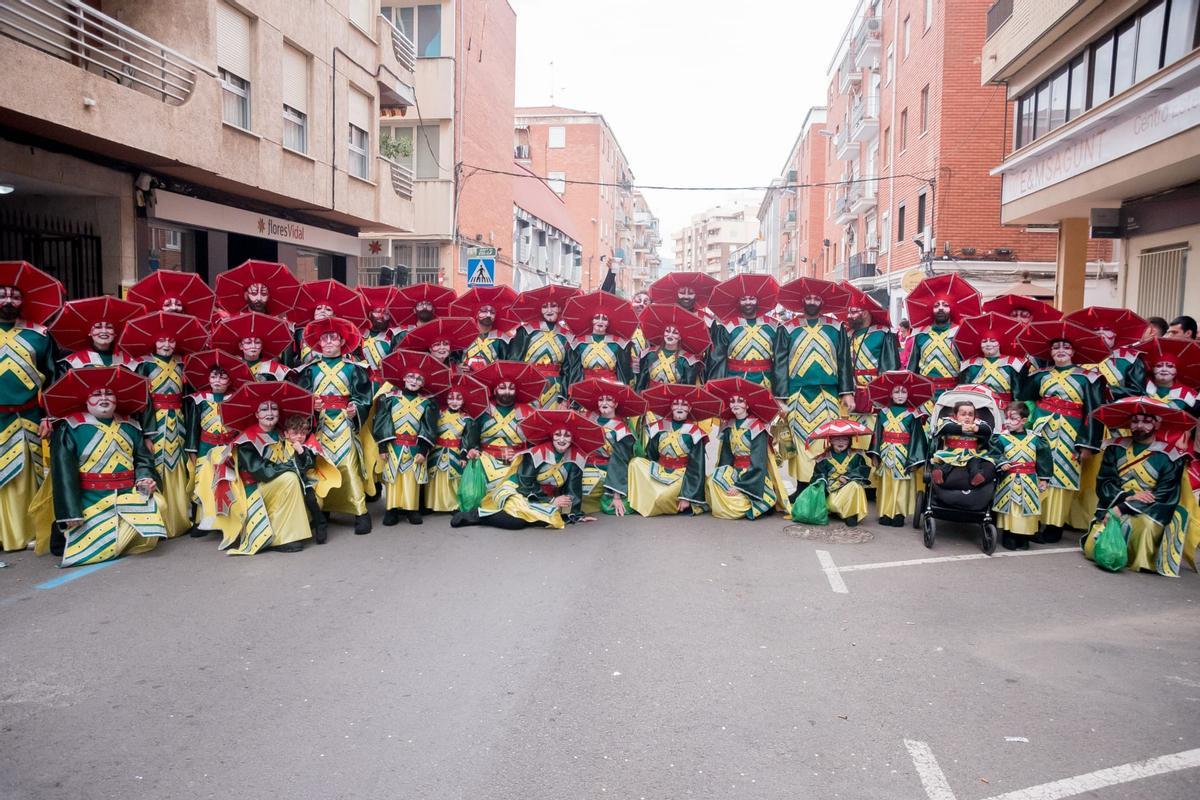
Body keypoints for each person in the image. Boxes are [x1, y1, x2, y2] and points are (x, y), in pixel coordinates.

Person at [47, 369, 167, 566]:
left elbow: (143, 460)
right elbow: (63, 476)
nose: (103, 398)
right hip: (92, 500)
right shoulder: (69, 428)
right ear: (86, 400)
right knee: (92, 549)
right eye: (96, 394)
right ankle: (69, 533)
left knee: (159, 503)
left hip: (126, 494)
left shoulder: (132, 425)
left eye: (108, 394)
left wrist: (145, 478)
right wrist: (70, 512)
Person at [1019, 322, 1106, 542]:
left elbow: (1094, 411)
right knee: (1037, 471)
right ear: (1050, 352)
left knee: (1063, 476)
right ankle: (1033, 521)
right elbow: (1023, 394)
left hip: (1071, 433)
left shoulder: (1089, 377)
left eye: (1065, 347)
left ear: (1073, 352)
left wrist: (1087, 443)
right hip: (1042, 429)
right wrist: (1023, 369)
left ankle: (1054, 527)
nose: (1060, 350)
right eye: (1056, 346)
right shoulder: (1040, 375)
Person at [1083, 405, 1189, 576]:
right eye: (1135, 421)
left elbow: (1165, 494)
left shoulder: (1171, 456)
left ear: (1157, 425)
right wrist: (1128, 497)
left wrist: (1121, 508)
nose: (1139, 426)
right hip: (1119, 499)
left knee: (1144, 526)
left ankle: (1141, 559)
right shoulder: (1115, 447)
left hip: (1151, 508)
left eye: (1147, 422)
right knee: (1091, 549)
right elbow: (1105, 481)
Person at [127, 312, 206, 539]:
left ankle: (181, 518)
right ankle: (160, 521)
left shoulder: (182, 362)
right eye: (162, 340)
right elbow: (141, 399)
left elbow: (189, 396)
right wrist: (146, 433)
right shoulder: (143, 365)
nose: (166, 344)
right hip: (156, 422)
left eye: (171, 341)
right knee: (157, 464)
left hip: (178, 420)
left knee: (180, 467)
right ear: (154, 342)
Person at [292, 317, 374, 535]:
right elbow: (300, 398)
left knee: (349, 464)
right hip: (321, 425)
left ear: (341, 341)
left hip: (344, 423)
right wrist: (312, 405)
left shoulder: (354, 368)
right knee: (320, 465)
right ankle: (322, 509)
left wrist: (356, 407)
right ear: (319, 343)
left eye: (333, 338)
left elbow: (363, 395)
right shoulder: (309, 370)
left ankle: (360, 511)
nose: (329, 342)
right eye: (324, 338)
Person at [0, 263, 60, 554]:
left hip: (29, 417)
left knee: (31, 475)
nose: (8, 300)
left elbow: (53, 379)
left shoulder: (40, 334)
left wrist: (49, 414)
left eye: (14, 295)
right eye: (2, 294)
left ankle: (31, 530)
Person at [452, 411, 596, 530]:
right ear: (552, 436)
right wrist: (552, 500)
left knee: (549, 521)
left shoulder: (575, 459)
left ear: (573, 438)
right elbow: (526, 484)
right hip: (518, 491)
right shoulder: (536, 453)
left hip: (541, 498)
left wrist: (576, 514)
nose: (562, 439)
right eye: (558, 434)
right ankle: (475, 516)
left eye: (567, 435)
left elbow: (573, 490)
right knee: (516, 522)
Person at [775, 278, 853, 488]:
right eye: (808, 297)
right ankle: (802, 486)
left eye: (816, 298)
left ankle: (823, 484)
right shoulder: (787, 328)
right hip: (797, 393)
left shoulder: (836, 327)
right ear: (802, 301)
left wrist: (847, 392)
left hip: (827, 393)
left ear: (822, 301)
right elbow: (780, 364)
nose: (812, 301)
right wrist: (780, 397)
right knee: (800, 439)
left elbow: (844, 360)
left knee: (824, 437)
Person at [222, 395, 317, 555]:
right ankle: (283, 538)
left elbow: (305, 463)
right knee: (290, 478)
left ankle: (297, 529)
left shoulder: (281, 434)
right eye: (264, 409)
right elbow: (262, 472)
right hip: (254, 489)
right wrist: (291, 467)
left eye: (274, 408)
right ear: (257, 414)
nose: (270, 412)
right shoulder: (247, 439)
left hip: (274, 483)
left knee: (312, 480)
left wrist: (301, 456)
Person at [183, 352, 252, 539]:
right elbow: (192, 428)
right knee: (202, 482)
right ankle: (201, 520)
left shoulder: (236, 398)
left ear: (230, 381)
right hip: (205, 446)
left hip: (228, 446)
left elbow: (240, 426)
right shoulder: (198, 399)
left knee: (226, 483)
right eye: (214, 376)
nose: (218, 380)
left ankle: (227, 519)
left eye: (223, 376)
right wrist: (193, 451)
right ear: (208, 378)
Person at [461, 361, 545, 505]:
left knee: (511, 499)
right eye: (502, 387)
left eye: (511, 388)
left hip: (514, 462)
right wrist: (472, 450)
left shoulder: (528, 412)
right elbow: (472, 436)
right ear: (494, 390)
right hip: (486, 460)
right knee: (472, 498)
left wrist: (521, 454)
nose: (507, 391)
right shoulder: (482, 409)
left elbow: (535, 444)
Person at [372, 354, 441, 527]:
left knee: (411, 478)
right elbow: (382, 422)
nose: (414, 381)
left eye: (419, 379)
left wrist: (423, 449)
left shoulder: (427, 403)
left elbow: (429, 427)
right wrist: (382, 447)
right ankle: (391, 509)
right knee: (393, 479)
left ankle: (412, 509)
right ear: (403, 377)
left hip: (414, 446)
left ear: (423, 383)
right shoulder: (389, 398)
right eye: (411, 376)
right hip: (393, 445)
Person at [705, 379, 788, 520]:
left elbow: (759, 462)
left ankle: (752, 503)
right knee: (712, 481)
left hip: (753, 474)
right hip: (735, 471)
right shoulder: (729, 426)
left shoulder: (757, 427)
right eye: (732, 401)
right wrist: (724, 478)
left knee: (734, 494)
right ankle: (737, 504)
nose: (735, 404)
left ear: (747, 405)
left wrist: (739, 487)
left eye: (740, 401)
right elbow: (726, 458)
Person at [626, 385, 711, 517]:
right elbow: (651, 455)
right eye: (676, 404)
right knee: (635, 462)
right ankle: (644, 497)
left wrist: (686, 496)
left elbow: (696, 467)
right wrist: (647, 477)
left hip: (681, 475)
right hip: (660, 469)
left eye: (684, 405)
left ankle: (680, 502)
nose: (679, 407)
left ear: (689, 409)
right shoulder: (658, 427)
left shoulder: (695, 433)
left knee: (662, 498)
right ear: (671, 407)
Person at [905, 275, 982, 413]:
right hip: (925, 393)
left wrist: (962, 393)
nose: (940, 308)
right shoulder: (920, 334)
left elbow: (966, 368)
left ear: (951, 309)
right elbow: (913, 367)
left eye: (945, 305)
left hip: (952, 393)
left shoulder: (960, 333)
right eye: (936, 305)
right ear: (931, 309)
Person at [568, 379, 640, 516]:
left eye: (609, 400)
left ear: (616, 404)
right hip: (583, 463)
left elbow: (619, 460)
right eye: (601, 400)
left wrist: (616, 496)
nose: (604, 403)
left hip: (606, 468)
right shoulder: (587, 417)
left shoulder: (622, 430)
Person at [868, 372, 929, 527]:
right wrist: (875, 455)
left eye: (903, 392)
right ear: (891, 394)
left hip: (904, 454)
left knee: (901, 485)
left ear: (909, 394)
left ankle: (898, 514)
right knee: (886, 484)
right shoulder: (883, 412)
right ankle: (884, 513)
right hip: (885, 452)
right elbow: (877, 434)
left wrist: (915, 459)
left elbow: (917, 438)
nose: (900, 395)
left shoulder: (913, 414)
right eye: (896, 392)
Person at [989, 402, 1051, 550]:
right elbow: (994, 453)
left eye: (1013, 418)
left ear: (1024, 420)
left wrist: (1044, 478)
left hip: (1029, 481)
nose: (1008, 422)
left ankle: (1024, 537)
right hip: (1008, 481)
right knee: (1010, 509)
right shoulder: (1000, 438)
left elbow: (1044, 458)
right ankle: (1009, 535)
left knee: (1026, 509)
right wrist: (1001, 462)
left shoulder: (1036, 438)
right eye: (1006, 418)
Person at [840, 283, 899, 425]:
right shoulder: (847, 335)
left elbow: (890, 367)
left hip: (875, 392)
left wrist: (883, 394)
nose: (849, 316)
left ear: (865, 313)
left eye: (853, 312)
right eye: (849, 312)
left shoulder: (883, 333)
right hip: (851, 392)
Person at [508, 285, 577, 407]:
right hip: (528, 386)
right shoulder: (526, 331)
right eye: (545, 307)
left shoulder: (568, 336)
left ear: (560, 309)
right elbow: (514, 361)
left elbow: (568, 370)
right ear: (540, 310)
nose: (549, 310)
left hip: (556, 389)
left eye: (553, 306)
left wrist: (564, 397)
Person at [706, 277, 780, 390]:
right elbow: (718, 359)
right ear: (738, 302)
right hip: (735, 380)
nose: (748, 302)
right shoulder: (725, 327)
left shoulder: (773, 326)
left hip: (766, 381)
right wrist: (717, 387)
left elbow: (780, 359)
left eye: (752, 298)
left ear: (758, 301)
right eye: (744, 299)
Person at [425, 377, 483, 513]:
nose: (454, 401)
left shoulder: (467, 419)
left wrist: (463, 455)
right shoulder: (438, 414)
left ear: (463, 401)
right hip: (437, 451)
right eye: (451, 398)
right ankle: (431, 504)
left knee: (453, 478)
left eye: (458, 398)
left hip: (455, 452)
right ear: (446, 399)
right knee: (435, 478)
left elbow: (467, 439)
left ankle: (453, 505)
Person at [809, 420, 872, 527]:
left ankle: (851, 515)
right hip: (832, 490)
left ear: (849, 441)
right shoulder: (823, 458)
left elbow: (863, 470)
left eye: (844, 439)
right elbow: (817, 476)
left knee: (856, 486)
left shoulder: (857, 455)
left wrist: (848, 477)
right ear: (831, 441)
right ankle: (837, 511)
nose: (841, 442)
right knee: (833, 505)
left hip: (849, 489)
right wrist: (823, 483)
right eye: (837, 439)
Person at [955, 313, 1028, 406]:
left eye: (993, 341)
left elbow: (1017, 393)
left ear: (999, 344)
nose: (988, 344)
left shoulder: (1014, 363)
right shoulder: (969, 364)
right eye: (984, 341)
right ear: (980, 345)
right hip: (977, 407)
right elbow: (964, 392)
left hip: (1004, 408)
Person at [635, 305, 706, 390]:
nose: (670, 335)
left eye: (675, 333)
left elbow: (688, 390)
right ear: (663, 333)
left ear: (680, 337)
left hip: (673, 401)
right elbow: (640, 384)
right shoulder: (648, 353)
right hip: (650, 399)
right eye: (667, 331)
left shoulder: (688, 361)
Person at [930, 401, 997, 490]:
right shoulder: (948, 422)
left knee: (975, 463)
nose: (967, 417)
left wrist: (977, 429)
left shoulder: (978, 424)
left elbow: (988, 430)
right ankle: (940, 473)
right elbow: (944, 427)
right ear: (955, 415)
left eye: (970, 414)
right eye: (963, 414)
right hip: (952, 452)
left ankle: (976, 476)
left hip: (972, 453)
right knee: (947, 463)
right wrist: (960, 428)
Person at [212, 311, 293, 382]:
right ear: (240, 346)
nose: (253, 346)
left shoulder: (274, 368)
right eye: (248, 342)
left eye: (257, 342)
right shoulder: (232, 366)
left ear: (262, 346)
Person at [451, 287, 517, 373]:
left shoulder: (502, 339)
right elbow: (452, 359)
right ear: (476, 314)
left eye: (492, 312)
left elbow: (506, 364)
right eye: (484, 311)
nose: (488, 315)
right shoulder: (463, 336)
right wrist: (458, 367)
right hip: (466, 382)